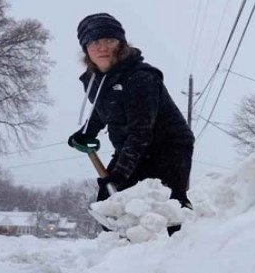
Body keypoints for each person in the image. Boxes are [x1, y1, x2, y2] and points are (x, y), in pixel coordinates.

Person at [68, 13, 195, 236]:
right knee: (109, 202)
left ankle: (186, 248)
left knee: (170, 204)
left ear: (121, 44)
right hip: (130, 145)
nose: (102, 47)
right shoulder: (93, 80)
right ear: (86, 49)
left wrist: (119, 175)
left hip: (169, 145)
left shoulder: (142, 77)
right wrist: (87, 132)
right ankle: (123, 253)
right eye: (95, 42)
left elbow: (141, 131)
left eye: (109, 40)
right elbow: (101, 110)